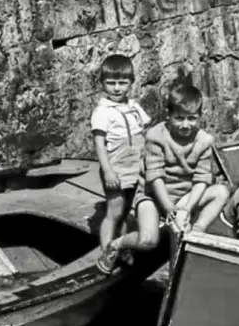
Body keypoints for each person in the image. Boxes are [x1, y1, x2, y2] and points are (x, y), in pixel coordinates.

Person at [96, 82, 229, 273]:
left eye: (192, 119)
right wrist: (168, 208)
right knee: (148, 240)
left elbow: (201, 179)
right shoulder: (156, 136)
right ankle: (117, 243)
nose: (185, 124)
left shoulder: (204, 141)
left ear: (200, 117)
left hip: (184, 196)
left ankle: (196, 232)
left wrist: (187, 207)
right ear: (169, 115)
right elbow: (155, 177)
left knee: (221, 192)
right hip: (154, 197)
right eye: (179, 118)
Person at [91, 54, 151, 258]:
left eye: (122, 83)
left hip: (136, 165)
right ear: (102, 84)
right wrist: (108, 171)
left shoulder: (133, 107)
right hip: (116, 167)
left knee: (127, 211)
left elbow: (145, 131)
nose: (117, 88)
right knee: (114, 211)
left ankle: (121, 247)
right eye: (111, 83)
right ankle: (106, 251)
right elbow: (99, 144)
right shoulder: (102, 112)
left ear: (131, 83)